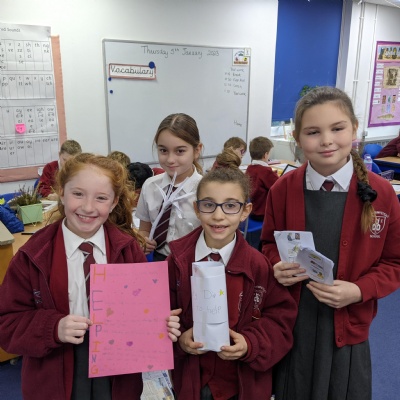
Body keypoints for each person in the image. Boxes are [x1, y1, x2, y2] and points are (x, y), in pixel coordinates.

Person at [0, 153, 181, 400]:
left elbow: (144, 314)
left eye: (101, 198)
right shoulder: (32, 255)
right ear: (61, 193)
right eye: (78, 194)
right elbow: (7, 325)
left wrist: (161, 324)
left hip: (117, 374)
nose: (87, 207)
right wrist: (53, 327)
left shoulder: (127, 250)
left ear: (114, 202)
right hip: (56, 371)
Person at [261, 86, 400, 400]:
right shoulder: (282, 190)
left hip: (347, 328)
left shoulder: (381, 194)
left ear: (354, 129)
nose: (326, 140)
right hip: (294, 324)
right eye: (313, 132)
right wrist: (276, 265)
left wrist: (359, 290)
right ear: (297, 138)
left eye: (337, 128)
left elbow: (395, 262)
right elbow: (268, 244)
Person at [168, 167, 297, 400]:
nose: (218, 216)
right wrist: (180, 341)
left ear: (245, 211)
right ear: (197, 209)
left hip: (240, 384)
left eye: (230, 205)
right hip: (191, 379)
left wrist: (250, 343)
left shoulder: (259, 266)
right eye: (209, 205)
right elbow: (160, 317)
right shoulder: (176, 262)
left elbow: (280, 320)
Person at [136, 113, 203, 261]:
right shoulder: (150, 186)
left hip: (194, 261)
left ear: (197, 150)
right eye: (163, 150)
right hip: (160, 258)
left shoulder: (206, 190)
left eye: (180, 151)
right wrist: (143, 240)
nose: (170, 160)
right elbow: (144, 229)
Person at [245, 136, 279, 221]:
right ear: (265, 155)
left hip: (251, 211)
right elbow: (280, 186)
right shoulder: (266, 172)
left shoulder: (250, 168)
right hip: (262, 214)